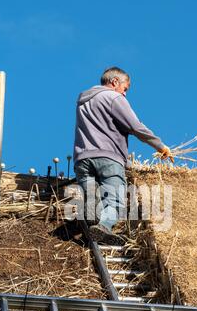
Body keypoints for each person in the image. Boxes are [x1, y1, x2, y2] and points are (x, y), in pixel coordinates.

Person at [73, 66, 174, 241]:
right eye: (125, 89)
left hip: (82, 158)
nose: (125, 94)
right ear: (114, 82)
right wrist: (160, 146)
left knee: (91, 192)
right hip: (108, 157)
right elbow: (135, 126)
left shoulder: (83, 101)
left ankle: (92, 203)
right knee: (116, 201)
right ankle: (103, 226)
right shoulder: (113, 97)